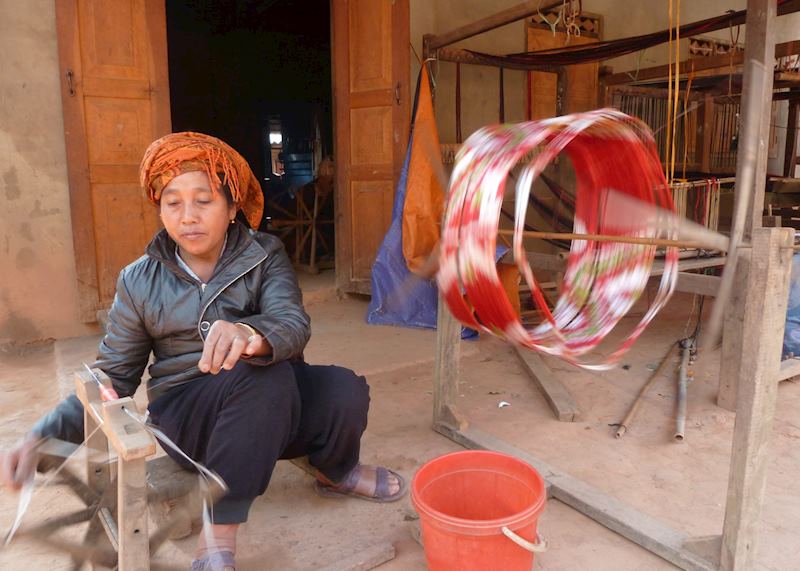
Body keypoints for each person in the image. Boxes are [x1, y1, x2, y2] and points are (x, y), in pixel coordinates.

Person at [0, 132, 404, 571]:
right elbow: (113, 376)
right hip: (190, 417)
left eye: (204, 201)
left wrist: (252, 334)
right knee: (261, 378)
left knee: (343, 390)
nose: (187, 217)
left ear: (233, 209)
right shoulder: (139, 279)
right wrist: (41, 438)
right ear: (159, 207)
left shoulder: (264, 254)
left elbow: (292, 321)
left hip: (273, 403)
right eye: (173, 203)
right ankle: (218, 534)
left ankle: (336, 472)